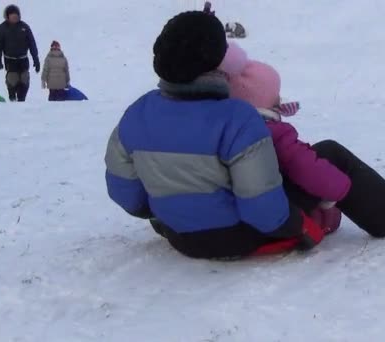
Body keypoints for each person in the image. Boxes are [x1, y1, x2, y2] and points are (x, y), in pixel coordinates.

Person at [104, 11, 324, 260]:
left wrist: (162, 210)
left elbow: (124, 191)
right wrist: (296, 224)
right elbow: (263, 209)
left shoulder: (137, 113)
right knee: (316, 163)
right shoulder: (237, 117)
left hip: (178, 236)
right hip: (236, 237)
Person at [219, 42, 385, 238]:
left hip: (236, 210)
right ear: (263, 103)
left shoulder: (225, 127)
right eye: (275, 96)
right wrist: (339, 189)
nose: (280, 99)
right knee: (330, 154)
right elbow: (304, 166)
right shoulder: (272, 132)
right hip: (266, 214)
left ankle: (325, 215)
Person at [0, 4, 40, 102]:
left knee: (24, 79)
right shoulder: (1, 29)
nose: (15, 16)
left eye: (16, 14)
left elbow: (32, 44)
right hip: (10, 60)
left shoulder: (24, 27)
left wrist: (36, 59)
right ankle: (12, 97)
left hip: (23, 59)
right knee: (12, 79)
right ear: (7, 16)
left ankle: (21, 99)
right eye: (12, 15)